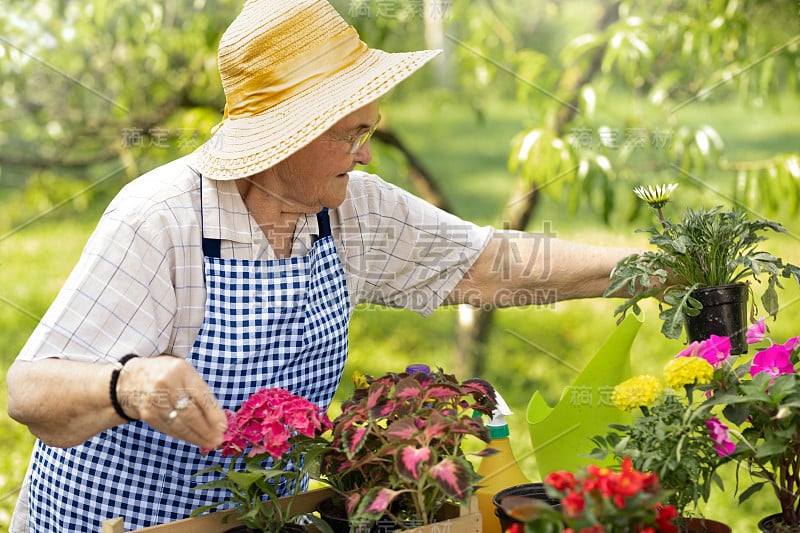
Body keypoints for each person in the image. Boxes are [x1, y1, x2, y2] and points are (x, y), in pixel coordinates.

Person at [6, 1, 641, 531]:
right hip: (118, 523)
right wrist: (131, 385)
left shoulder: (348, 208)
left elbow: (491, 263)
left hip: (263, 518)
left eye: (372, 130)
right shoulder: (162, 217)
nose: (366, 155)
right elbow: (28, 392)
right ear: (289, 134)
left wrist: (650, 267)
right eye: (351, 135)